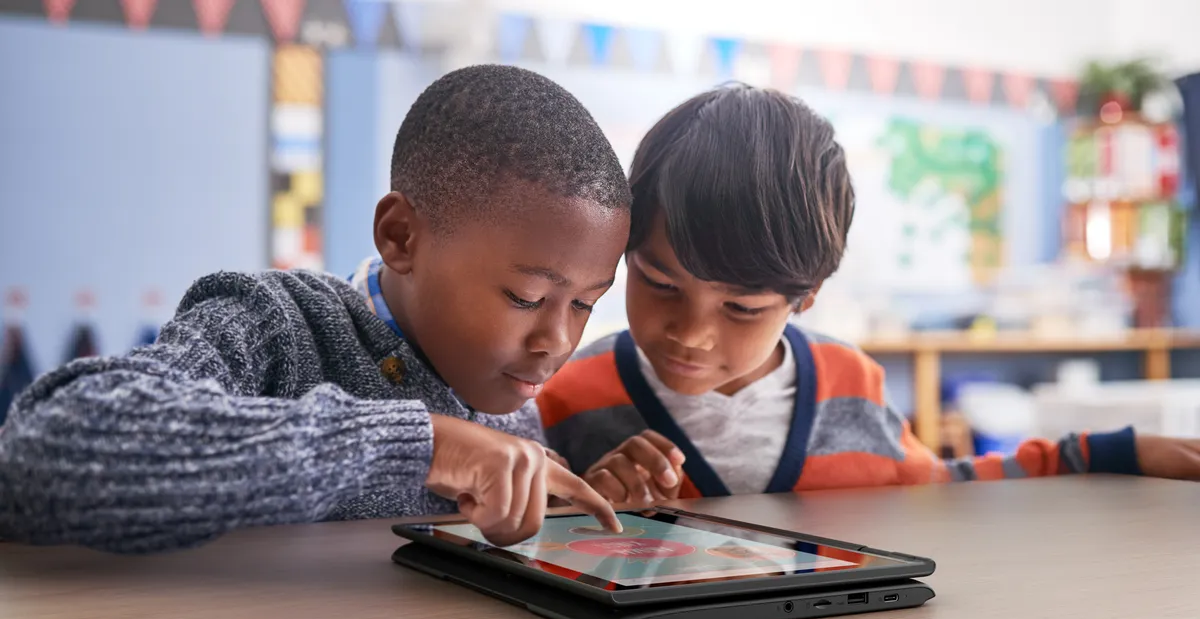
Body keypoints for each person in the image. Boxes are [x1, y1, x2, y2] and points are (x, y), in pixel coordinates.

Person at [0, 65, 628, 553]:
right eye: (525, 297)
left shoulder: (511, 403)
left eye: (584, 305)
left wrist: (574, 506)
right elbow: (42, 449)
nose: (556, 340)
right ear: (402, 237)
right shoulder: (275, 326)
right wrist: (422, 445)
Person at [537, 84, 1200, 504]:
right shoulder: (568, 398)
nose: (692, 332)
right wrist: (580, 509)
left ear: (808, 295)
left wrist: (1099, 453)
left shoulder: (849, 383)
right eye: (658, 283)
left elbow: (941, 493)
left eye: (741, 307)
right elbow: (519, 541)